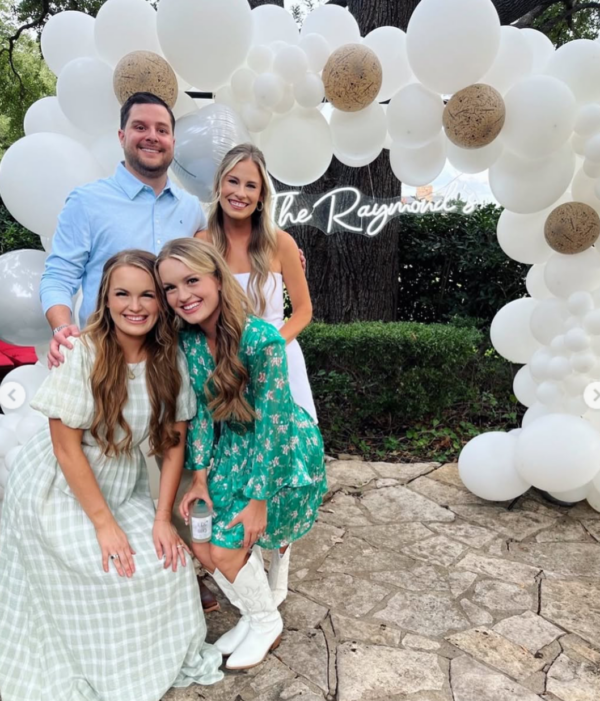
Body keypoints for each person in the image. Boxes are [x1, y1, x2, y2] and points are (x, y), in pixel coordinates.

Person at [0, 250, 223, 701]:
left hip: (120, 484)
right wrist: (104, 526)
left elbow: (174, 442)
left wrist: (162, 517)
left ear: (162, 303)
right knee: (105, 568)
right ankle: (92, 660)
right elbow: (66, 448)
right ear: (106, 297)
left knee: (167, 563)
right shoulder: (85, 352)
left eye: (147, 295)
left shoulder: (168, 360)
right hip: (56, 487)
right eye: (122, 293)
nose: (134, 306)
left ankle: (142, 658)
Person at [41, 90, 219, 612]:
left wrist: (279, 248)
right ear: (122, 136)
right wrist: (62, 330)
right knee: (114, 461)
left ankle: (191, 557)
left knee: (181, 458)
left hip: (173, 356)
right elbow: (58, 276)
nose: (151, 136)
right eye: (140, 127)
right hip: (111, 357)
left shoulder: (190, 208)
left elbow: (219, 262)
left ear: (172, 140)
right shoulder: (88, 201)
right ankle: (102, 552)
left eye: (161, 129)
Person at [156, 238, 327, 671]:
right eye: (171, 288)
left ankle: (266, 621)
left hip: (280, 449)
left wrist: (259, 500)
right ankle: (255, 616)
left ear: (217, 278)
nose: (182, 296)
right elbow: (198, 415)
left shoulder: (262, 339)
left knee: (229, 547)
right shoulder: (191, 342)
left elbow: (274, 424)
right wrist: (197, 477)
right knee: (203, 542)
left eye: (192, 280)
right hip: (234, 444)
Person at [195, 143, 316, 606]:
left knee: (285, 463)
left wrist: (265, 350)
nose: (241, 192)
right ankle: (240, 553)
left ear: (263, 194)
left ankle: (281, 554)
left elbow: (303, 312)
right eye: (233, 181)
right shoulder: (204, 244)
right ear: (219, 185)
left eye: (251, 184)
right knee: (241, 464)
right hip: (226, 371)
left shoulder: (280, 243)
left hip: (277, 364)